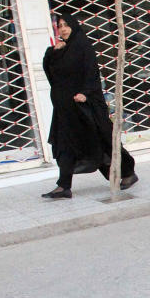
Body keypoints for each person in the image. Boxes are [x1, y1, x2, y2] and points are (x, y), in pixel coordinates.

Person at [41, 13, 138, 199]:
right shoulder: (63, 49)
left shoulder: (83, 46)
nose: (63, 29)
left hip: (86, 107)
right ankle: (64, 186)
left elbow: (92, 72)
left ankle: (127, 172)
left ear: (74, 26)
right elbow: (52, 74)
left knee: (101, 142)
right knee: (66, 144)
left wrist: (85, 93)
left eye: (66, 25)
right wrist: (52, 53)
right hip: (67, 109)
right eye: (60, 26)